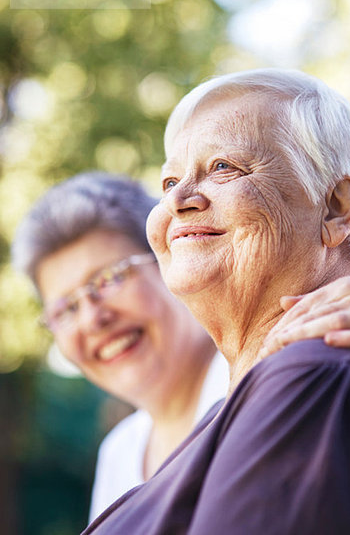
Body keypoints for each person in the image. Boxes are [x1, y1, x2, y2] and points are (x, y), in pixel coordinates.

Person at [81, 68, 350, 535]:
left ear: (336, 208)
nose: (179, 200)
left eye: (222, 167)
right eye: (169, 183)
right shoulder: (241, 401)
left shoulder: (321, 378)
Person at [11, 173, 230, 520]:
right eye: (66, 309)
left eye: (109, 279)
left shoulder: (257, 376)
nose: (92, 319)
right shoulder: (119, 454)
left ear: (170, 257)